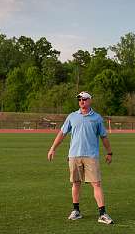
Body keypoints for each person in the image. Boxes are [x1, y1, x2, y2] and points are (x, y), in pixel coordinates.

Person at [47, 91, 114, 225]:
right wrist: (53, 148)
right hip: (74, 155)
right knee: (76, 183)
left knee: (96, 184)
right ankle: (76, 211)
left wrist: (109, 152)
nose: (81, 101)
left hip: (91, 156)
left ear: (90, 100)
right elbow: (62, 133)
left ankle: (102, 214)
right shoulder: (72, 116)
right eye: (79, 99)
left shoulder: (97, 118)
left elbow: (103, 136)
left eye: (84, 99)